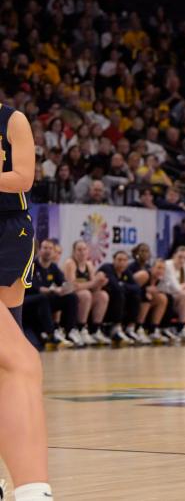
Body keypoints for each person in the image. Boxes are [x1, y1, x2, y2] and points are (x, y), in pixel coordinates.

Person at [0, 103, 54, 500]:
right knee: (14, 362)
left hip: (7, 231)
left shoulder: (11, 119)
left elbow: (23, 177)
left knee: (11, 357)